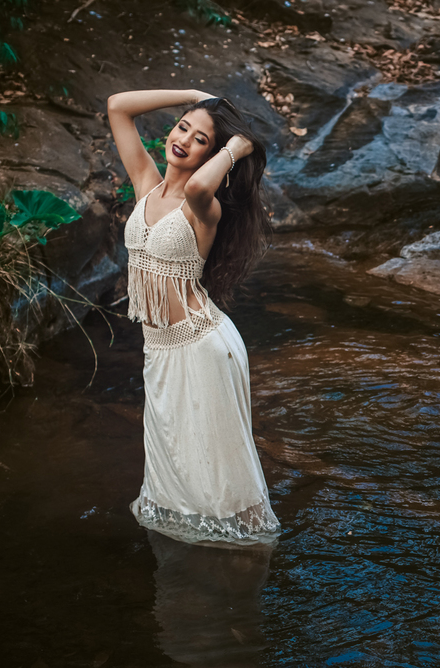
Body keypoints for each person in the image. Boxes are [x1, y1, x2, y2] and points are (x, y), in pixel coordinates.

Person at [106, 88, 280, 548]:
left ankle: (252, 567)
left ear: (213, 153)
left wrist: (237, 148)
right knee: (182, 471)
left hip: (202, 345)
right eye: (183, 126)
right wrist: (193, 96)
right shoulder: (147, 183)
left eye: (200, 138)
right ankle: (204, 580)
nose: (183, 139)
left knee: (225, 476)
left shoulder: (203, 206)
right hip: (159, 350)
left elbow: (203, 184)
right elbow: (117, 106)